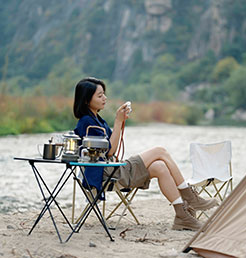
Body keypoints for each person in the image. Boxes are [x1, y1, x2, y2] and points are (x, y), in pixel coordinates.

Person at [72, 77, 218, 231]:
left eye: (104, 94)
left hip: (113, 169)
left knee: (160, 166)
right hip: (106, 174)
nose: (105, 98)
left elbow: (111, 147)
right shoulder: (86, 121)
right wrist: (117, 121)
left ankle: (182, 216)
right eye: (100, 95)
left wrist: (120, 123)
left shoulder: (97, 119)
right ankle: (190, 197)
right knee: (160, 151)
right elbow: (109, 151)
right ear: (87, 100)